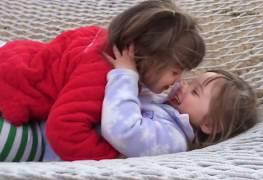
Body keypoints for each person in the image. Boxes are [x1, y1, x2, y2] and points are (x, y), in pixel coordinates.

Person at [0, 0, 205, 161]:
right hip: (9, 86)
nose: (179, 80)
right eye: (176, 71)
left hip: (13, 55)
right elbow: (63, 131)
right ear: (148, 59)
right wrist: (113, 159)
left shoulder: (101, 37)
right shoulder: (101, 77)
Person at [101, 45, 258, 157]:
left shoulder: (173, 140)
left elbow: (123, 131)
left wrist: (125, 75)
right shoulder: (168, 109)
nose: (184, 85)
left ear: (209, 125)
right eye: (191, 83)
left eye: (195, 92)